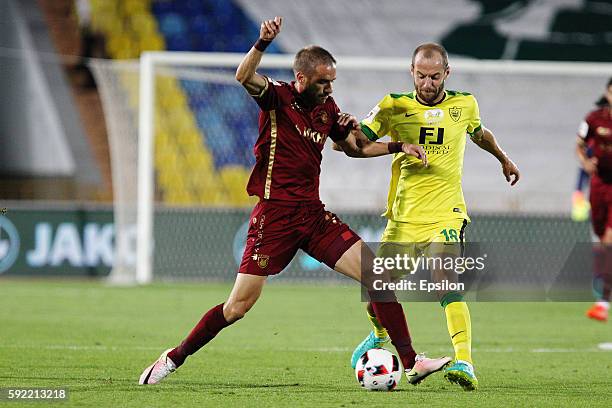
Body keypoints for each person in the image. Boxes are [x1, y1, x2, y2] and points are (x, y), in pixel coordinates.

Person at [139, 17, 450, 386]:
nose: (329, 89)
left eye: (332, 81)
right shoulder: (277, 98)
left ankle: (413, 361)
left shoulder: (327, 110)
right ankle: (174, 358)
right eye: (323, 82)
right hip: (274, 217)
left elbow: (355, 147)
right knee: (237, 308)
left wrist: (399, 146)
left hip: (313, 216)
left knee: (377, 276)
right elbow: (243, 76)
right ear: (302, 79)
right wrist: (261, 43)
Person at [335, 43, 520, 391]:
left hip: (447, 212)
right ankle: (378, 335)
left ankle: (464, 360)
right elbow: (356, 144)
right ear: (411, 72)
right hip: (404, 217)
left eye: (435, 76)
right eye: (421, 76)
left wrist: (503, 159)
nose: (428, 83)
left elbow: (480, 134)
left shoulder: (464, 104)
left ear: (446, 74)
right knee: (378, 287)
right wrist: (343, 132)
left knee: (445, 279)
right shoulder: (394, 105)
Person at [577, 77, 612, 322]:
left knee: (610, 240)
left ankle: (602, 301)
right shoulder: (593, 119)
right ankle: (602, 287)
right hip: (598, 185)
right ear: (608, 93)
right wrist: (586, 162)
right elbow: (579, 145)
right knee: (601, 239)